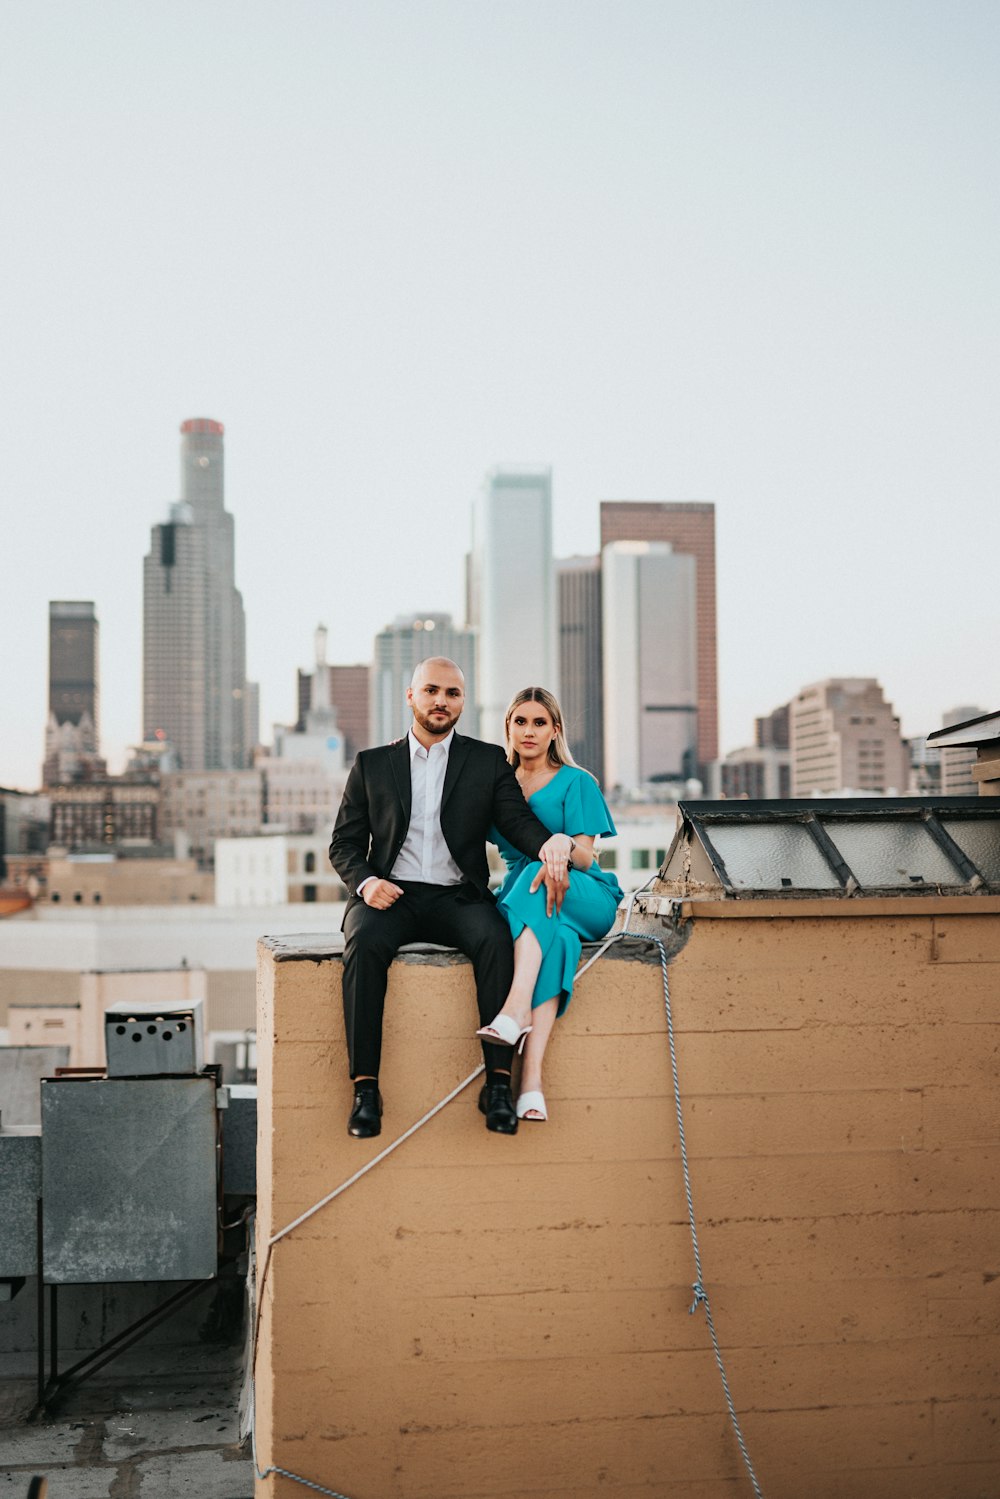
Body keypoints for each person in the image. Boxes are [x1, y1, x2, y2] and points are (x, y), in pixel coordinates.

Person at [328, 657, 575, 1139]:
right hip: (389, 894)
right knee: (362, 946)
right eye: (432, 690)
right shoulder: (372, 764)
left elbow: (516, 821)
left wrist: (551, 844)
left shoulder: (486, 762)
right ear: (411, 696)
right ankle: (365, 1089)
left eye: (453, 693)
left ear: (463, 701)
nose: (441, 701)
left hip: (456, 896)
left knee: (496, 937)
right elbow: (344, 844)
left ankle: (498, 1085)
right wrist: (366, 883)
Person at [476, 687, 624, 1122]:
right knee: (558, 943)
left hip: (584, 894)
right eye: (520, 721)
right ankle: (532, 1084)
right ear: (508, 727)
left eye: (539, 722)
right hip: (531, 905)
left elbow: (584, 856)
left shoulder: (577, 781)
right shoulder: (496, 785)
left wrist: (557, 843)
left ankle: (514, 1007)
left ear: (555, 730)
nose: (529, 731)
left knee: (535, 873)